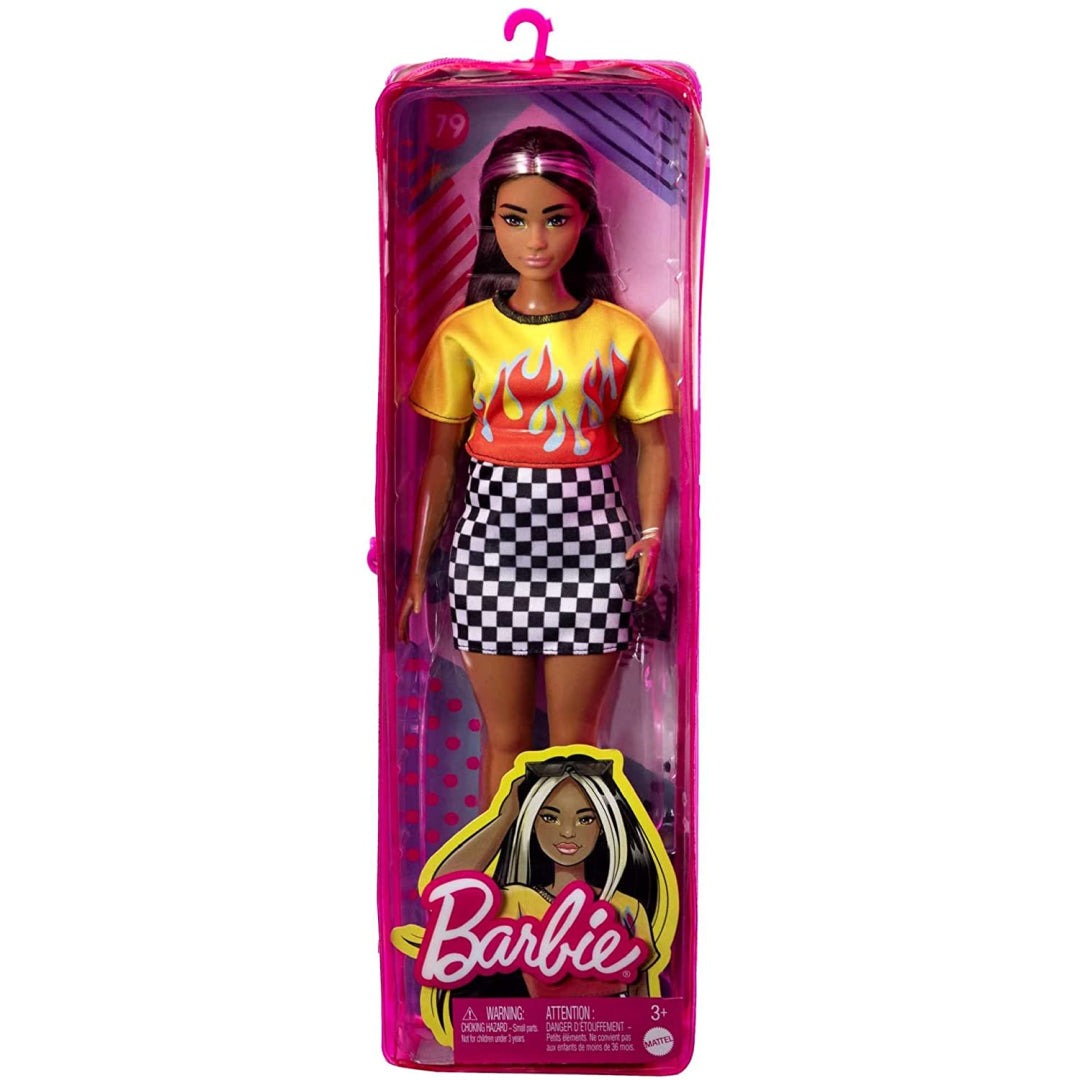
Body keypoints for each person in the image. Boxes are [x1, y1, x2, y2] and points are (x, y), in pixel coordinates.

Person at [397, 126, 675, 804]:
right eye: (515, 219)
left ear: (584, 221)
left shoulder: (620, 333)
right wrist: (417, 571)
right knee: (506, 743)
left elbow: (654, 445)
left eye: (556, 218)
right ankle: (499, 866)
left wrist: (649, 537)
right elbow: (438, 460)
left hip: (592, 556)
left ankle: (578, 867)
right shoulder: (464, 334)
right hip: (490, 552)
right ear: (491, 223)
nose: (537, 241)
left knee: (578, 743)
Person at [392, 750, 678, 1045]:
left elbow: (642, 990)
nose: (567, 832)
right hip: (535, 1037)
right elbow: (446, 889)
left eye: (585, 819)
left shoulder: (626, 908)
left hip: (607, 1039)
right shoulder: (518, 901)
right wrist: (505, 818)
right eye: (550, 817)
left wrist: (644, 1041)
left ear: (603, 827)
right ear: (532, 821)